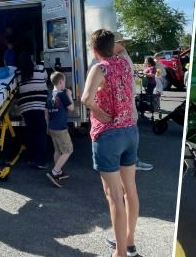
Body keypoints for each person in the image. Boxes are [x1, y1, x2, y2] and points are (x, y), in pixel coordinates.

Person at [82, 30, 141, 257]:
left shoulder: (100, 68)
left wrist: (98, 110)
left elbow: (86, 99)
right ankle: (129, 242)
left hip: (108, 135)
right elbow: (120, 47)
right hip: (130, 131)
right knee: (130, 191)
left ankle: (120, 253)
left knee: (114, 196)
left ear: (94, 49)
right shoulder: (125, 64)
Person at [15, 54, 50, 170]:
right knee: (41, 132)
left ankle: (31, 158)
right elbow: (46, 79)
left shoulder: (18, 73)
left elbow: (17, 88)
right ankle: (40, 160)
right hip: (40, 105)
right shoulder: (40, 68)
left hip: (25, 106)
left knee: (31, 132)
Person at [45, 71, 75, 187]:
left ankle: (59, 171)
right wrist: (70, 95)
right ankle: (54, 172)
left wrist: (47, 126)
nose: (65, 85)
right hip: (61, 128)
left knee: (57, 150)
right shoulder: (62, 95)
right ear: (60, 82)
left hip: (52, 128)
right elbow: (71, 108)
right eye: (64, 82)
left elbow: (46, 113)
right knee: (68, 150)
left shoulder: (49, 95)